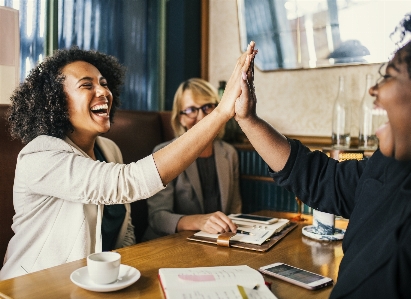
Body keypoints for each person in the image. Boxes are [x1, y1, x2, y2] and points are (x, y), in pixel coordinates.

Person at [0, 42, 256, 280]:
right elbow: (127, 183)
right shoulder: (40, 155)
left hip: (95, 285)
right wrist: (222, 112)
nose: (103, 91)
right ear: (55, 102)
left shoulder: (109, 150)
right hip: (33, 286)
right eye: (87, 85)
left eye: (104, 83)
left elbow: (125, 228)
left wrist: (128, 274)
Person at [234, 15, 411, 298]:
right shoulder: (388, 166)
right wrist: (248, 120)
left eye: (388, 76)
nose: (373, 90)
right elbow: (321, 179)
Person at [143, 78, 242, 240]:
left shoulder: (229, 153)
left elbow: (235, 210)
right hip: (170, 243)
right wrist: (198, 222)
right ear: (180, 118)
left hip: (216, 242)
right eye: (190, 110)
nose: (202, 117)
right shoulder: (163, 153)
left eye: (207, 107)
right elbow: (157, 218)